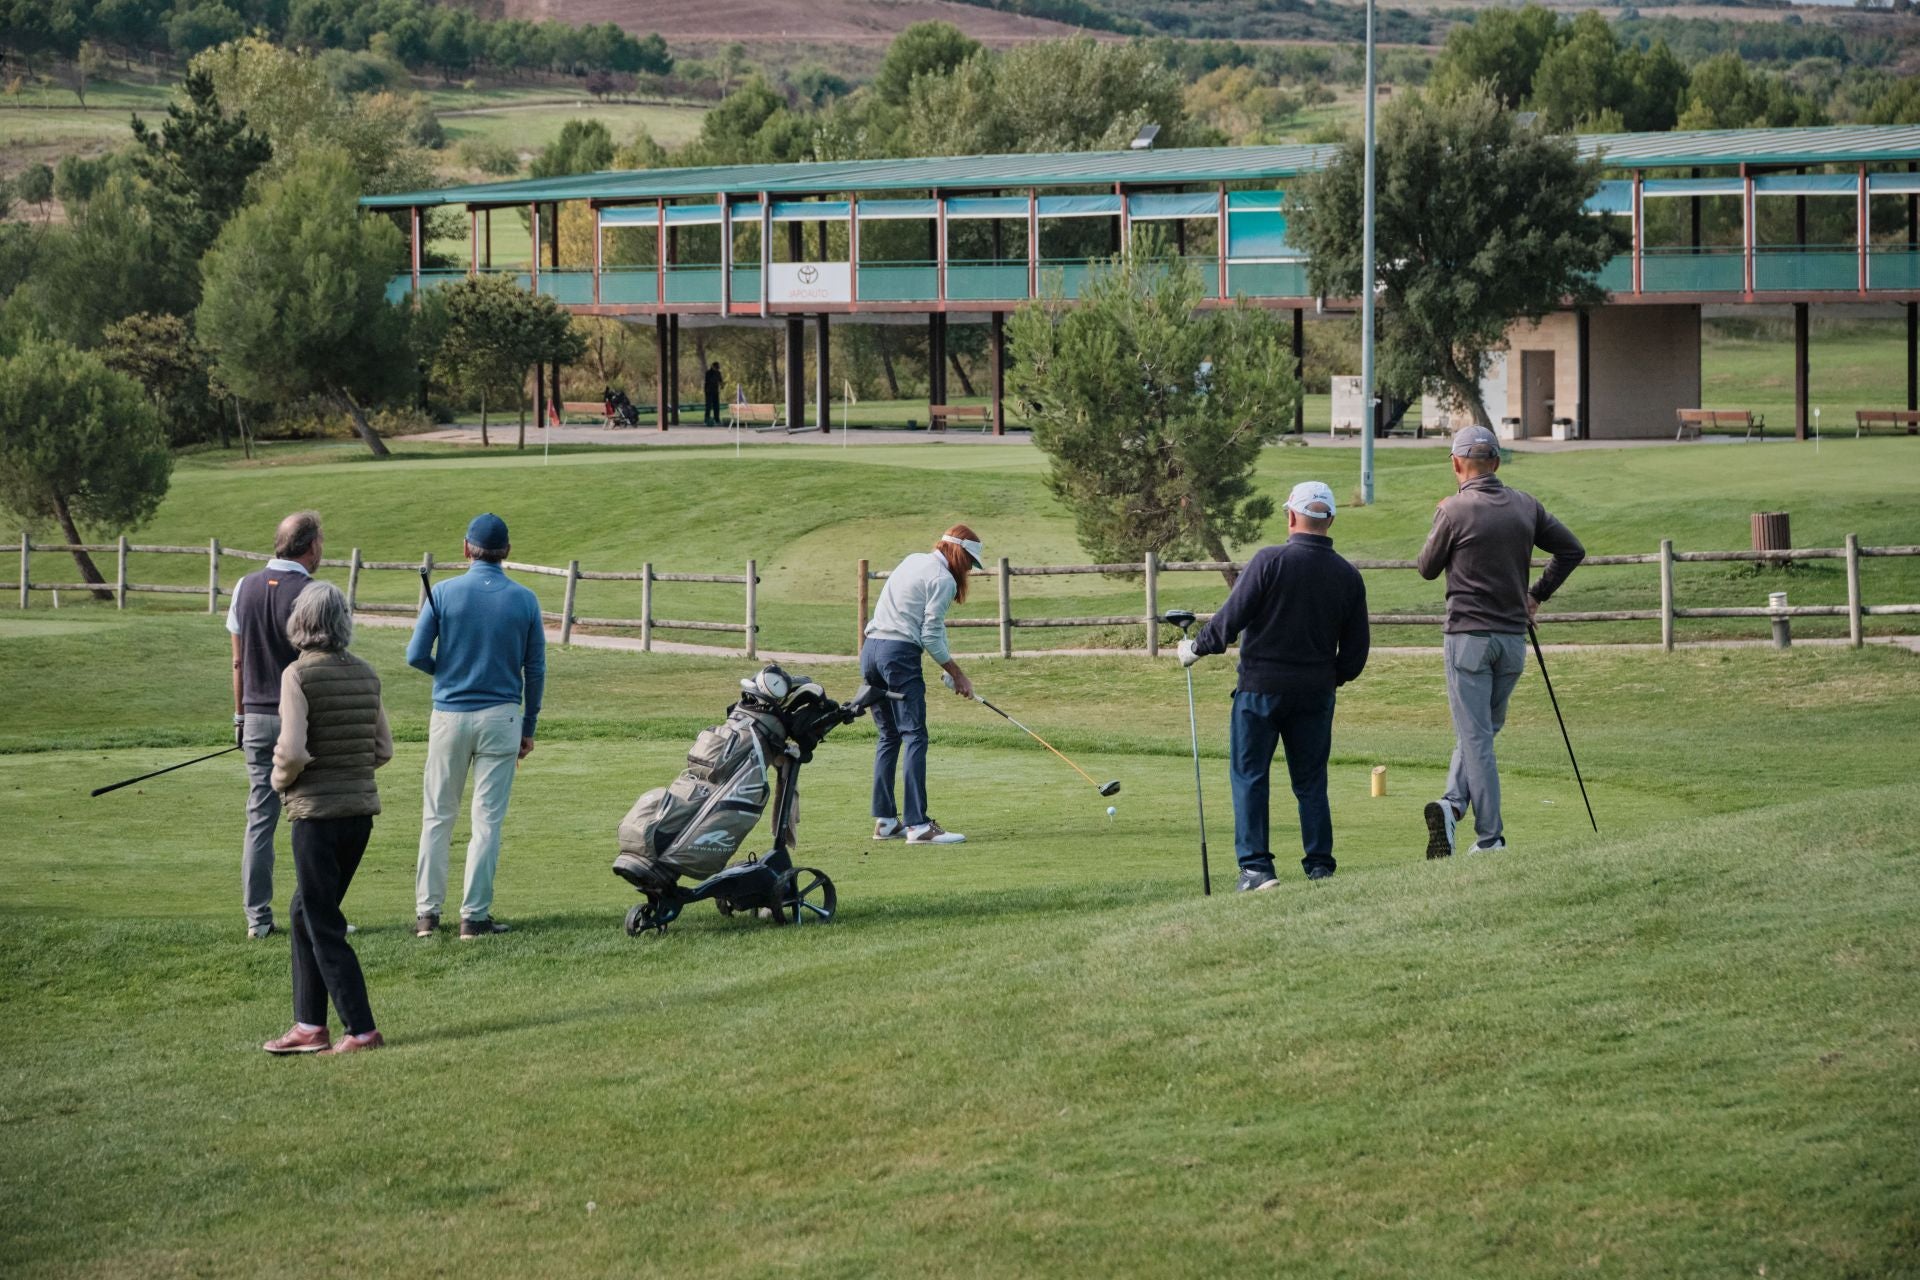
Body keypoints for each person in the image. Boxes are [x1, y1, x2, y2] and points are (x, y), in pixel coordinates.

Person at [1180, 481, 1370, 890]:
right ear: (1330, 520)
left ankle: (1256, 869)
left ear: (1290, 516)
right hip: (1316, 693)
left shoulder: (1269, 561)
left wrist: (1195, 647)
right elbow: (1355, 656)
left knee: (1250, 775)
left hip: (1260, 690)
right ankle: (1320, 866)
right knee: (1310, 780)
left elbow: (1229, 620)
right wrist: (1325, 677)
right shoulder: (1348, 576)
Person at [1415, 424, 1586, 858]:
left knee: (1476, 739)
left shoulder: (1454, 510)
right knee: (1481, 734)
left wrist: (1442, 515)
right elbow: (1571, 551)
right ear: (1496, 462)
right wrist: (1535, 595)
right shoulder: (1526, 505)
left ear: (1456, 464)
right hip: (1512, 641)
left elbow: (1426, 568)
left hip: (1468, 639)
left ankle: (1489, 839)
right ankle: (1451, 807)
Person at [262, 580, 394, 1055]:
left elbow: (293, 751)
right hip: (359, 815)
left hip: (316, 815)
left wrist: (280, 780)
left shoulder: (297, 675)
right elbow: (383, 749)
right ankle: (308, 1026)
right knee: (304, 913)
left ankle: (361, 1028)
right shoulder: (367, 673)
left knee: (321, 920)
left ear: (301, 622)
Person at [407, 513, 546, 939]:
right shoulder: (525, 599)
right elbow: (535, 670)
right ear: (506, 552)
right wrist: (529, 725)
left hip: (449, 714)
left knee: (437, 816)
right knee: (487, 821)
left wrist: (445, 671)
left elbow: (415, 654)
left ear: (466, 548)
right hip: (502, 717)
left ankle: (428, 916)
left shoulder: (443, 593)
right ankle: (474, 917)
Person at [228, 510, 323, 938]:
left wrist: (240, 716)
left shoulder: (243, 587)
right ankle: (318, 916)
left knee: (260, 820)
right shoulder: (311, 592)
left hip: (254, 716)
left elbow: (237, 660)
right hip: (297, 720)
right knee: (312, 817)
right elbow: (318, 664)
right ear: (311, 546)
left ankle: (258, 921)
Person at [860, 524, 983, 846]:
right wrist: (957, 673)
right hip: (898, 654)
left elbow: (932, 629)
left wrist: (953, 668)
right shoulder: (942, 579)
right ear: (959, 551)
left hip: (871, 649)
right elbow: (928, 635)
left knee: (889, 735)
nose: (970, 568)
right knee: (914, 734)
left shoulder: (913, 560)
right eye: (970, 560)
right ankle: (917, 826)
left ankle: (886, 821)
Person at [704, 361, 724, 426]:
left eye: (718, 368)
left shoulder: (718, 373)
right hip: (709, 391)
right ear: (713, 366)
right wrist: (716, 381)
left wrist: (722, 385)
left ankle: (717, 419)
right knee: (708, 406)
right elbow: (709, 381)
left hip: (715, 391)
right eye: (716, 367)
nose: (717, 369)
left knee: (716, 406)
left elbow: (720, 380)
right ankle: (706, 419)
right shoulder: (708, 373)